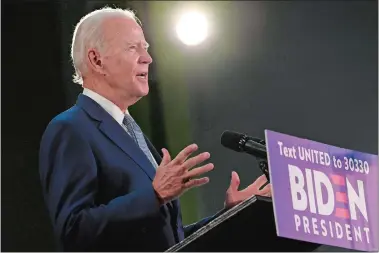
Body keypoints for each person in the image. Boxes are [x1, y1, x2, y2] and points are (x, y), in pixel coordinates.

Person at [39, 7, 271, 252]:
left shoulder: (131, 132)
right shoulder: (71, 129)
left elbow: (170, 241)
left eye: (146, 48)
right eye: (132, 48)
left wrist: (230, 215)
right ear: (97, 60)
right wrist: (154, 195)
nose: (147, 58)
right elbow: (73, 232)